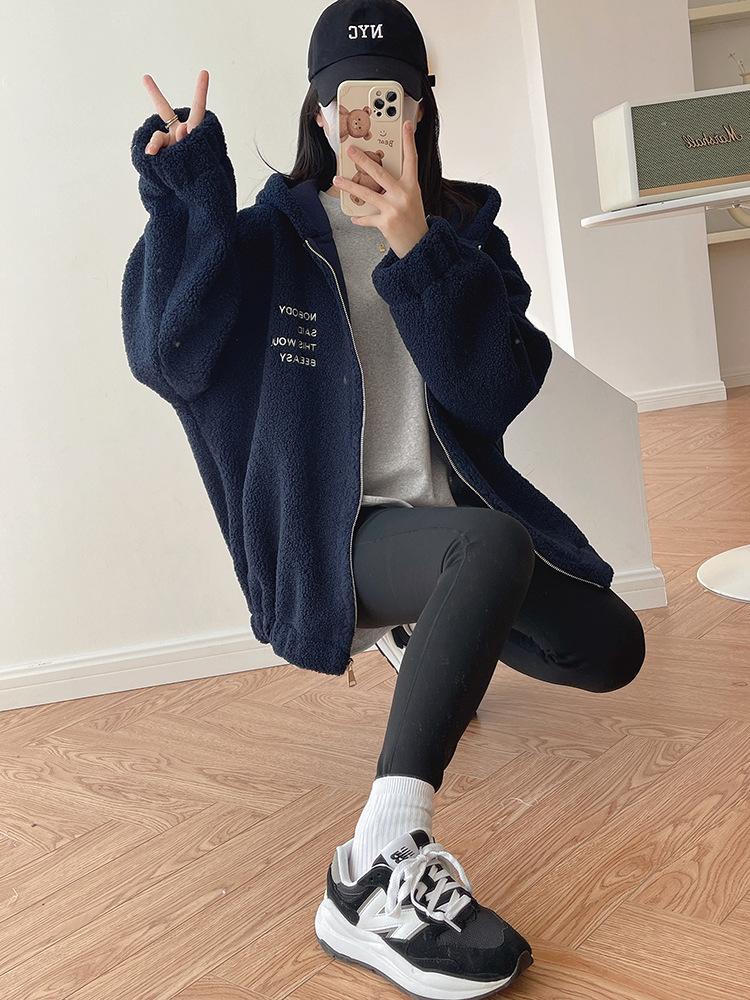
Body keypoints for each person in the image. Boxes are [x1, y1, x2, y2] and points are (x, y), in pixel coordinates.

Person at [122, 1, 646, 995]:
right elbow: (168, 359)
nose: (363, 119)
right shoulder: (267, 240)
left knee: (613, 648)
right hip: (337, 538)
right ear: (319, 113)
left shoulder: (467, 235)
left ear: (419, 109)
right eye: (344, 101)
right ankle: (372, 865)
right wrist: (186, 200)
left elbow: (494, 394)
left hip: (447, 530)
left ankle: (430, 630)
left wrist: (417, 250)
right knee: (489, 548)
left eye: (387, 98)